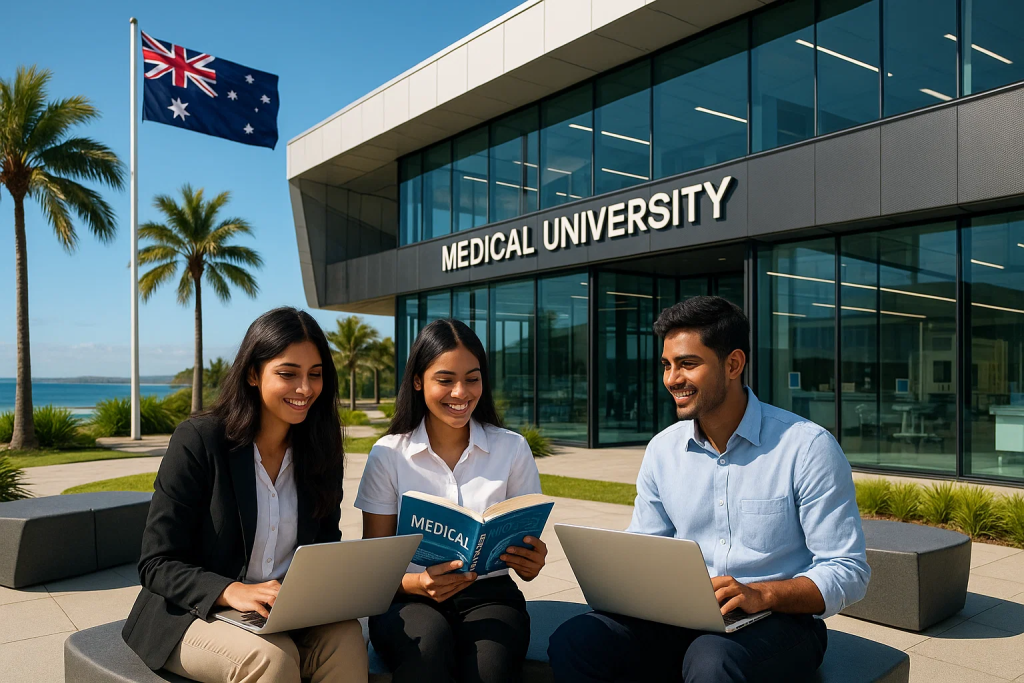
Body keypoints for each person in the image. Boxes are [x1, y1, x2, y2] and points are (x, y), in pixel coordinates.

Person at [548, 296, 870, 683]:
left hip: (781, 622)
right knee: (577, 639)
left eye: (687, 364)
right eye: (666, 365)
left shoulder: (806, 447)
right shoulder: (663, 450)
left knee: (712, 658)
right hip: (680, 617)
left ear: (733, 364)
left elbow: (847, 570)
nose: (672, 379)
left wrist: (762, 595)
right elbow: (646, 547)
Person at [122, 307, 368, 683]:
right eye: (288, 373)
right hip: (192, 613)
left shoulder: (321, 452)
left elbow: (323, 547)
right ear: (253, 373)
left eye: (315, 375)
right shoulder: (200, 440)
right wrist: (230, 590)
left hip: (281, 610)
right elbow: (156, 562)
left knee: (347, 636)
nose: (305, 388)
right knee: (272, 660)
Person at [355, 318, 547, 683]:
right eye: (445, 380)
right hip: (409, 599)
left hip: (490, 595)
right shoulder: (388, 454)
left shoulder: (512, 448)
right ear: (417, 381)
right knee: (426, 650)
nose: (461, 392)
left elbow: (526, 550)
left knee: (489, 670)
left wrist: (531, 562)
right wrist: (416, 584)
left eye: (472, 379)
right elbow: (373, 564)